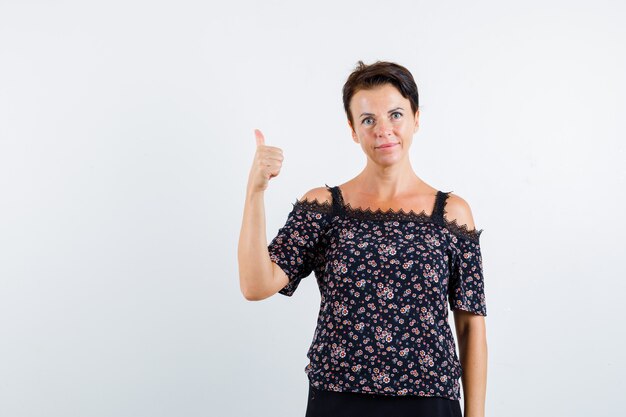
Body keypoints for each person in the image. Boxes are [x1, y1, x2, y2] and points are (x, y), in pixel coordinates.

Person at [238, 60, 488, 417]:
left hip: (430, 402)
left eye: (396, 115)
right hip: (338, 399)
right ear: (353, 130)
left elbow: (470, 325)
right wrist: (255, 191)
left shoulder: (452, 214)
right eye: (368, 120)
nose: (383, 130)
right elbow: (255, 284)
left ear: (417, 119)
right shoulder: (324, 207)